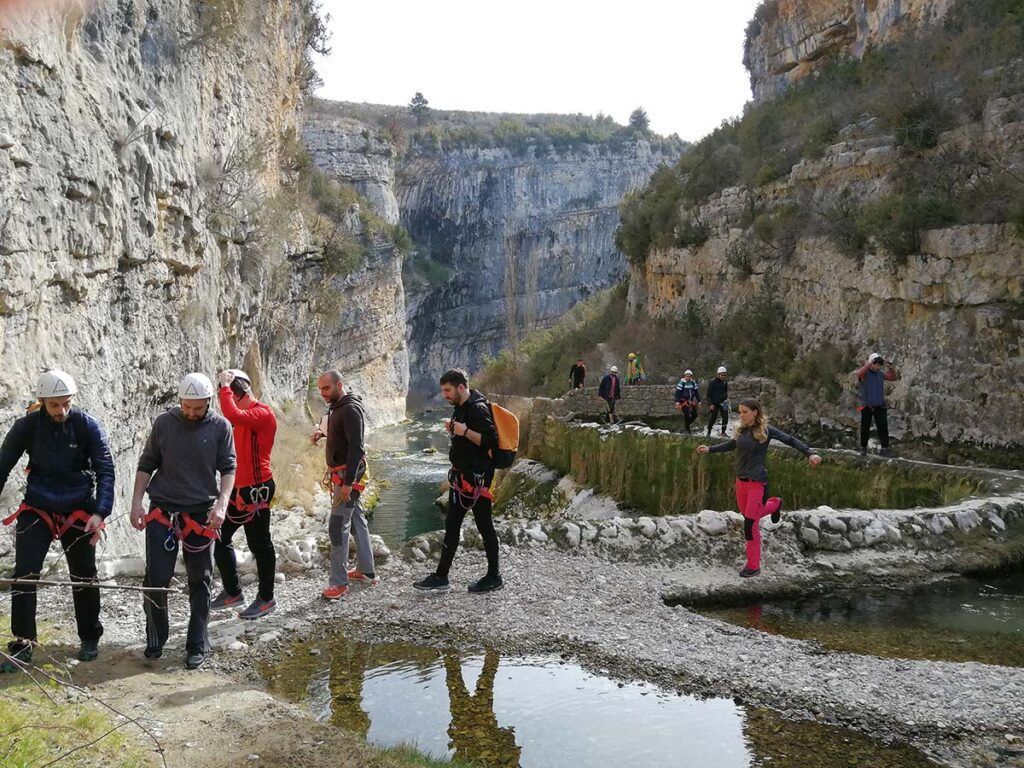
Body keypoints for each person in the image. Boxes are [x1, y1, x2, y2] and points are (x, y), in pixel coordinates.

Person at [0, 371, 114, 668]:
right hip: (38, 505)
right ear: (42, 403)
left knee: (84, 574)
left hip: (78, 507)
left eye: (66, 404)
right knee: (24, 574)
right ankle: (23, 644)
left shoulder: (87, 426)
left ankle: (90, 637)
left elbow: (105, 470)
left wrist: (100, 513)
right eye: (54, 405)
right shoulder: (25, 427)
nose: (61, 410)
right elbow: (2, 466)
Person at [131, 373, 236, 670]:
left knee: (200, 580)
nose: (191, 413)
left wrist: (222, 504)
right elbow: (146, 463)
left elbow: (229, 467)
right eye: (186, 407)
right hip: (162, 511)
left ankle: (197, 643)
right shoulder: (164, 423)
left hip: (201, 514)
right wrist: (136, 503)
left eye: (198, 409)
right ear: (179, 402)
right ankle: (156, 638)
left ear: (208, 403)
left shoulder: (220, 427)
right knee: (156, 579)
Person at [697, 398, 821, 578]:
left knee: (750, 525)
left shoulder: (766, 431)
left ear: (755, 412)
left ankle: (754, 566)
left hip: (757, 482)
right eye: (739, 412)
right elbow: (732, 445)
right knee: (749, 516)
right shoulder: (741, 430)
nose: (741, 416)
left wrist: (810, 453)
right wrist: (710, 449)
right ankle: (775, 504)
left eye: (744, 412)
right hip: (741, 482)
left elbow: (790, 440)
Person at [414, 369, 501, 593]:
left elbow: (491, 440)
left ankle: (494, 576)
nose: (445, 395)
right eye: (443, 390)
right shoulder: (461, 408)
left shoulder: (479, 409)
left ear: (461, 387)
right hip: (462, 479)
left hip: (477, 480)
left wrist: (465, 432)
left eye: (447, 390)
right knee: (452, 526)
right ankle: (441, 576)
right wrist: (455, 429)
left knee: (485, 527)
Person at [211, 369, 279, 620]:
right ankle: (233, 592)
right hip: (242, 489)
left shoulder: (261, 413)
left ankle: (266, 598)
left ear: (240, 395)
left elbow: (231, 413)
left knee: (260, 545)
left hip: (256, 490)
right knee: (219, 536)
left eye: (230, 395)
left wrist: (224, 386)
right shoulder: (244, 417)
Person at [313, 370, 377, 600]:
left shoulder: (349, 409)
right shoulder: (338, 406)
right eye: (320, 389)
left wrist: (348, 483)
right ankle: (366, 571)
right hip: (344, 475)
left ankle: (338, 583)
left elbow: (357, 449)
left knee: (337, 526)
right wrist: (322, 434)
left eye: (326, 388)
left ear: (339, 385)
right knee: (357, 520)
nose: (322, 393)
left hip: (347, 477)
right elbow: (340, 434)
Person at [856, 352, 901, 457]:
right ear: (871, 363)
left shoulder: (880, 374)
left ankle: (884, 449)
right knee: (865, 427)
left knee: (883, 427)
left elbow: (893, 378)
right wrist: (869, 363)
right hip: (867, 405)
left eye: (879, 364)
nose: (878, 365)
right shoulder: (865, 374)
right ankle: (863, 448)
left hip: (879, 405)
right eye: (876, 363)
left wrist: (890, 367)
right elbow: (859, 373)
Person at [673, 369, 700, 434]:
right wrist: (677, 402)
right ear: (684, 376)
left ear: (691, 377)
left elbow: (696, 392)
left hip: (690, 401)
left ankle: (686, 425)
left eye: (689, 376)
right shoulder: (681, 383)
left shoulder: (693, 383)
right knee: (686, 414)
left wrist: (699, 401)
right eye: (686, 376)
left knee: (695, 414)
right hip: (683, 402)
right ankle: (687, 429)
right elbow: (677, 393)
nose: (687, 377)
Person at [706, 366, 730, 437]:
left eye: (724, 375)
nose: (723, 376)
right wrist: (710, 404)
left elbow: (725, 391)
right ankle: (709, 431)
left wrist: (726, 399)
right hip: (714, 403)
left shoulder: (725, 382)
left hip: (723, 402)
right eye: (722, 375)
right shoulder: (712, 382)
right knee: (713, 417)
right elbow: (708, 394)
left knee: (725, 417)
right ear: (718, 375)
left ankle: (723, 432)